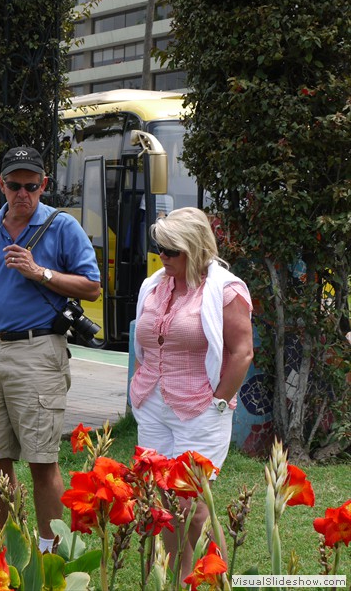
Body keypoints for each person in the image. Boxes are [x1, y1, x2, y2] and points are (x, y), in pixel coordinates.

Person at [0, 146, 101, 553]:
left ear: (43, 185)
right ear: (1, 185)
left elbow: (92, 285)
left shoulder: (61, 226)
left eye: (31, 186)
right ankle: (8, 548)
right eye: (14, 185)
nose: (22, 193)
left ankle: (51, 552)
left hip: (39, 351)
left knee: (41, 459)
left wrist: (40, 272)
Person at [130, 206, 253, 578]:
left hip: (201, 408)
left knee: (196, 505)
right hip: (152, 404)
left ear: (195, 249)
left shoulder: (225, 288)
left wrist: (219, 400)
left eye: (171, 251)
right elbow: (147, 343)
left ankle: (213, 577)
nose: (162, 257)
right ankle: (177, 579)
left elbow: (242, 351)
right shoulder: (155, 283)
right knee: (163, 500)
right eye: (160, 249)